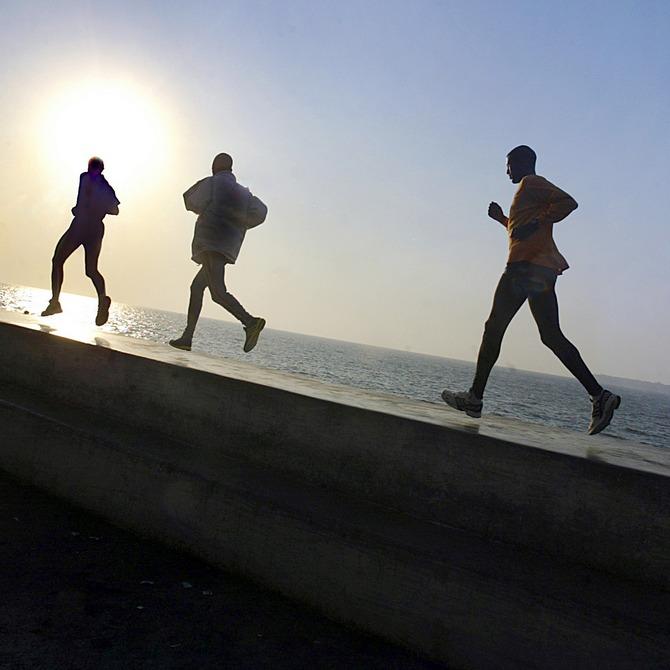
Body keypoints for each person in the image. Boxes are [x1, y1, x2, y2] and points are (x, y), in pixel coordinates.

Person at [441, 145, 621, 435]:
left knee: (493, 328)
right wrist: (502, 220)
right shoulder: (527, 192)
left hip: (524, 268)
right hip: (541, 269)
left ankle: (474, 399)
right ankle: (600, 395)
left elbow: (568, 202)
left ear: (524, 162)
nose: (507, 171)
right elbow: (522, 231)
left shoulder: (531, 183)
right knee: (551, 335)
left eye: (509, 164)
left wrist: (536, 221)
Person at [169, 152, 267, 353]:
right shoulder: (244, 194)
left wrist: (207, 210)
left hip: (211, 243)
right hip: (227, 245)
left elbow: (189, 199)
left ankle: (251, 322)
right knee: (197, 287)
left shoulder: (213, 183)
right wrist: (240, 221)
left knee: (217, 292)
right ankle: (187, 337)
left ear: (215, 166)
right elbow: (261, 211)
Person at [41, 157, 119, 326]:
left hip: (85, 227)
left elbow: (115, 210)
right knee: (84, 268)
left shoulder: (101, 185)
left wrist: (95, 207)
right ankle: (97, 300)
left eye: (94, 169)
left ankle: (59, 302)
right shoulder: (89, 180)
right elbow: (105, 205)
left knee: (67, 263)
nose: (92, 172)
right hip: (90, 227)